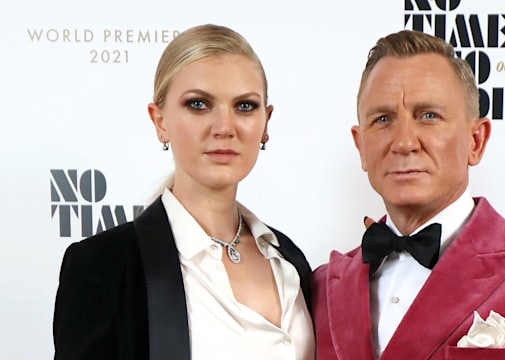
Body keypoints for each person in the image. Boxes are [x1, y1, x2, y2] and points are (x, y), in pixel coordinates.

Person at [311, 30, 505, 359]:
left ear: (476, 140)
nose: (404, 142)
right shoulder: (320, 288)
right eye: (383, 119)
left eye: (429, 116)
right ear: (361, 147)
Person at [53, 24, 314, 360]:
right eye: (199, 104)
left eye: (245, 106)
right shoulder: (103, 267)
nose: (224, 127)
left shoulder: (290, 259)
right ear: (160, 120)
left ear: (266, 122)